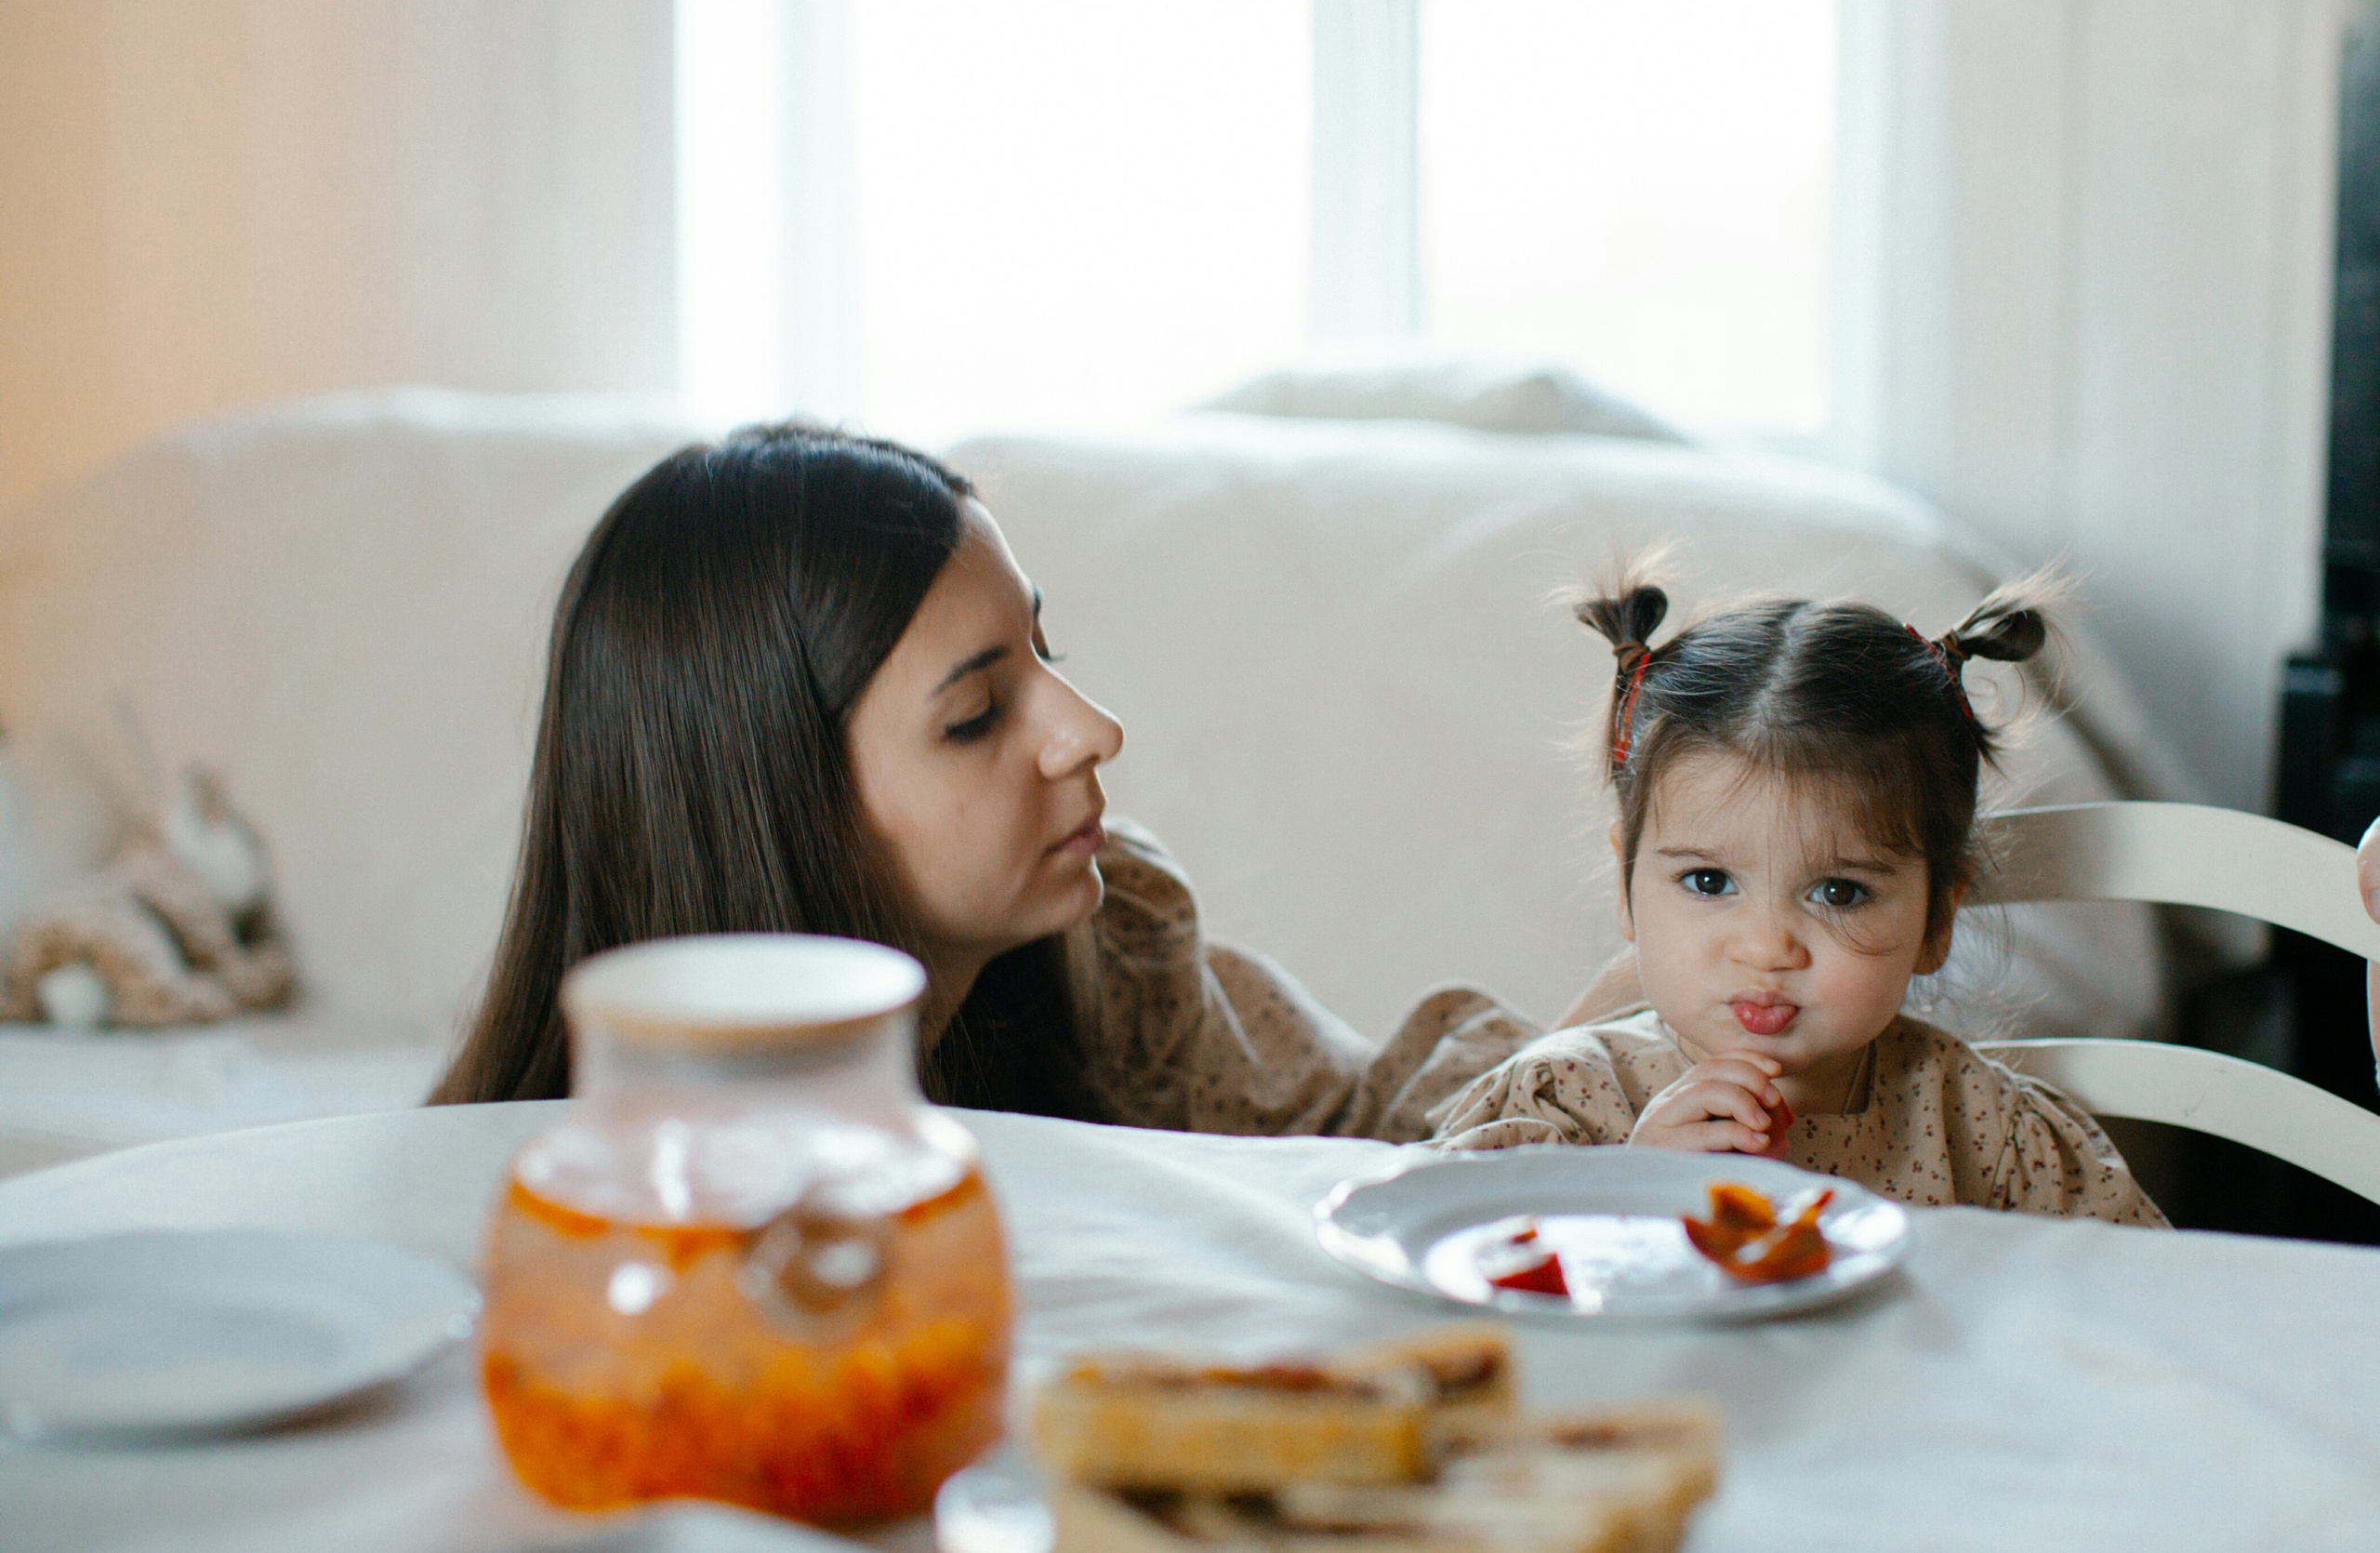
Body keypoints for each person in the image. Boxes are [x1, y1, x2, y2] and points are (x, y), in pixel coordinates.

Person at [430, 421, 1529, 1135]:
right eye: (974, 714)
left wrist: (1624, 1022)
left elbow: (1364, 1119)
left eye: (1046, 653)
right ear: (769, 809)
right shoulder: (565, 1191)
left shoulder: (1114, 947)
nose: (1091, 731)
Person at [1426, 567, 2167, 1226]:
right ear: (1627, 885)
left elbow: (2135, 1310)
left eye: (1839, 892)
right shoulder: (1559, 1108)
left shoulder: (1985, 1133)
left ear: (1937, 920)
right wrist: (1627, 1194)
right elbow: (1436, 1308)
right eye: (1709, 882)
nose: (1767, 948)